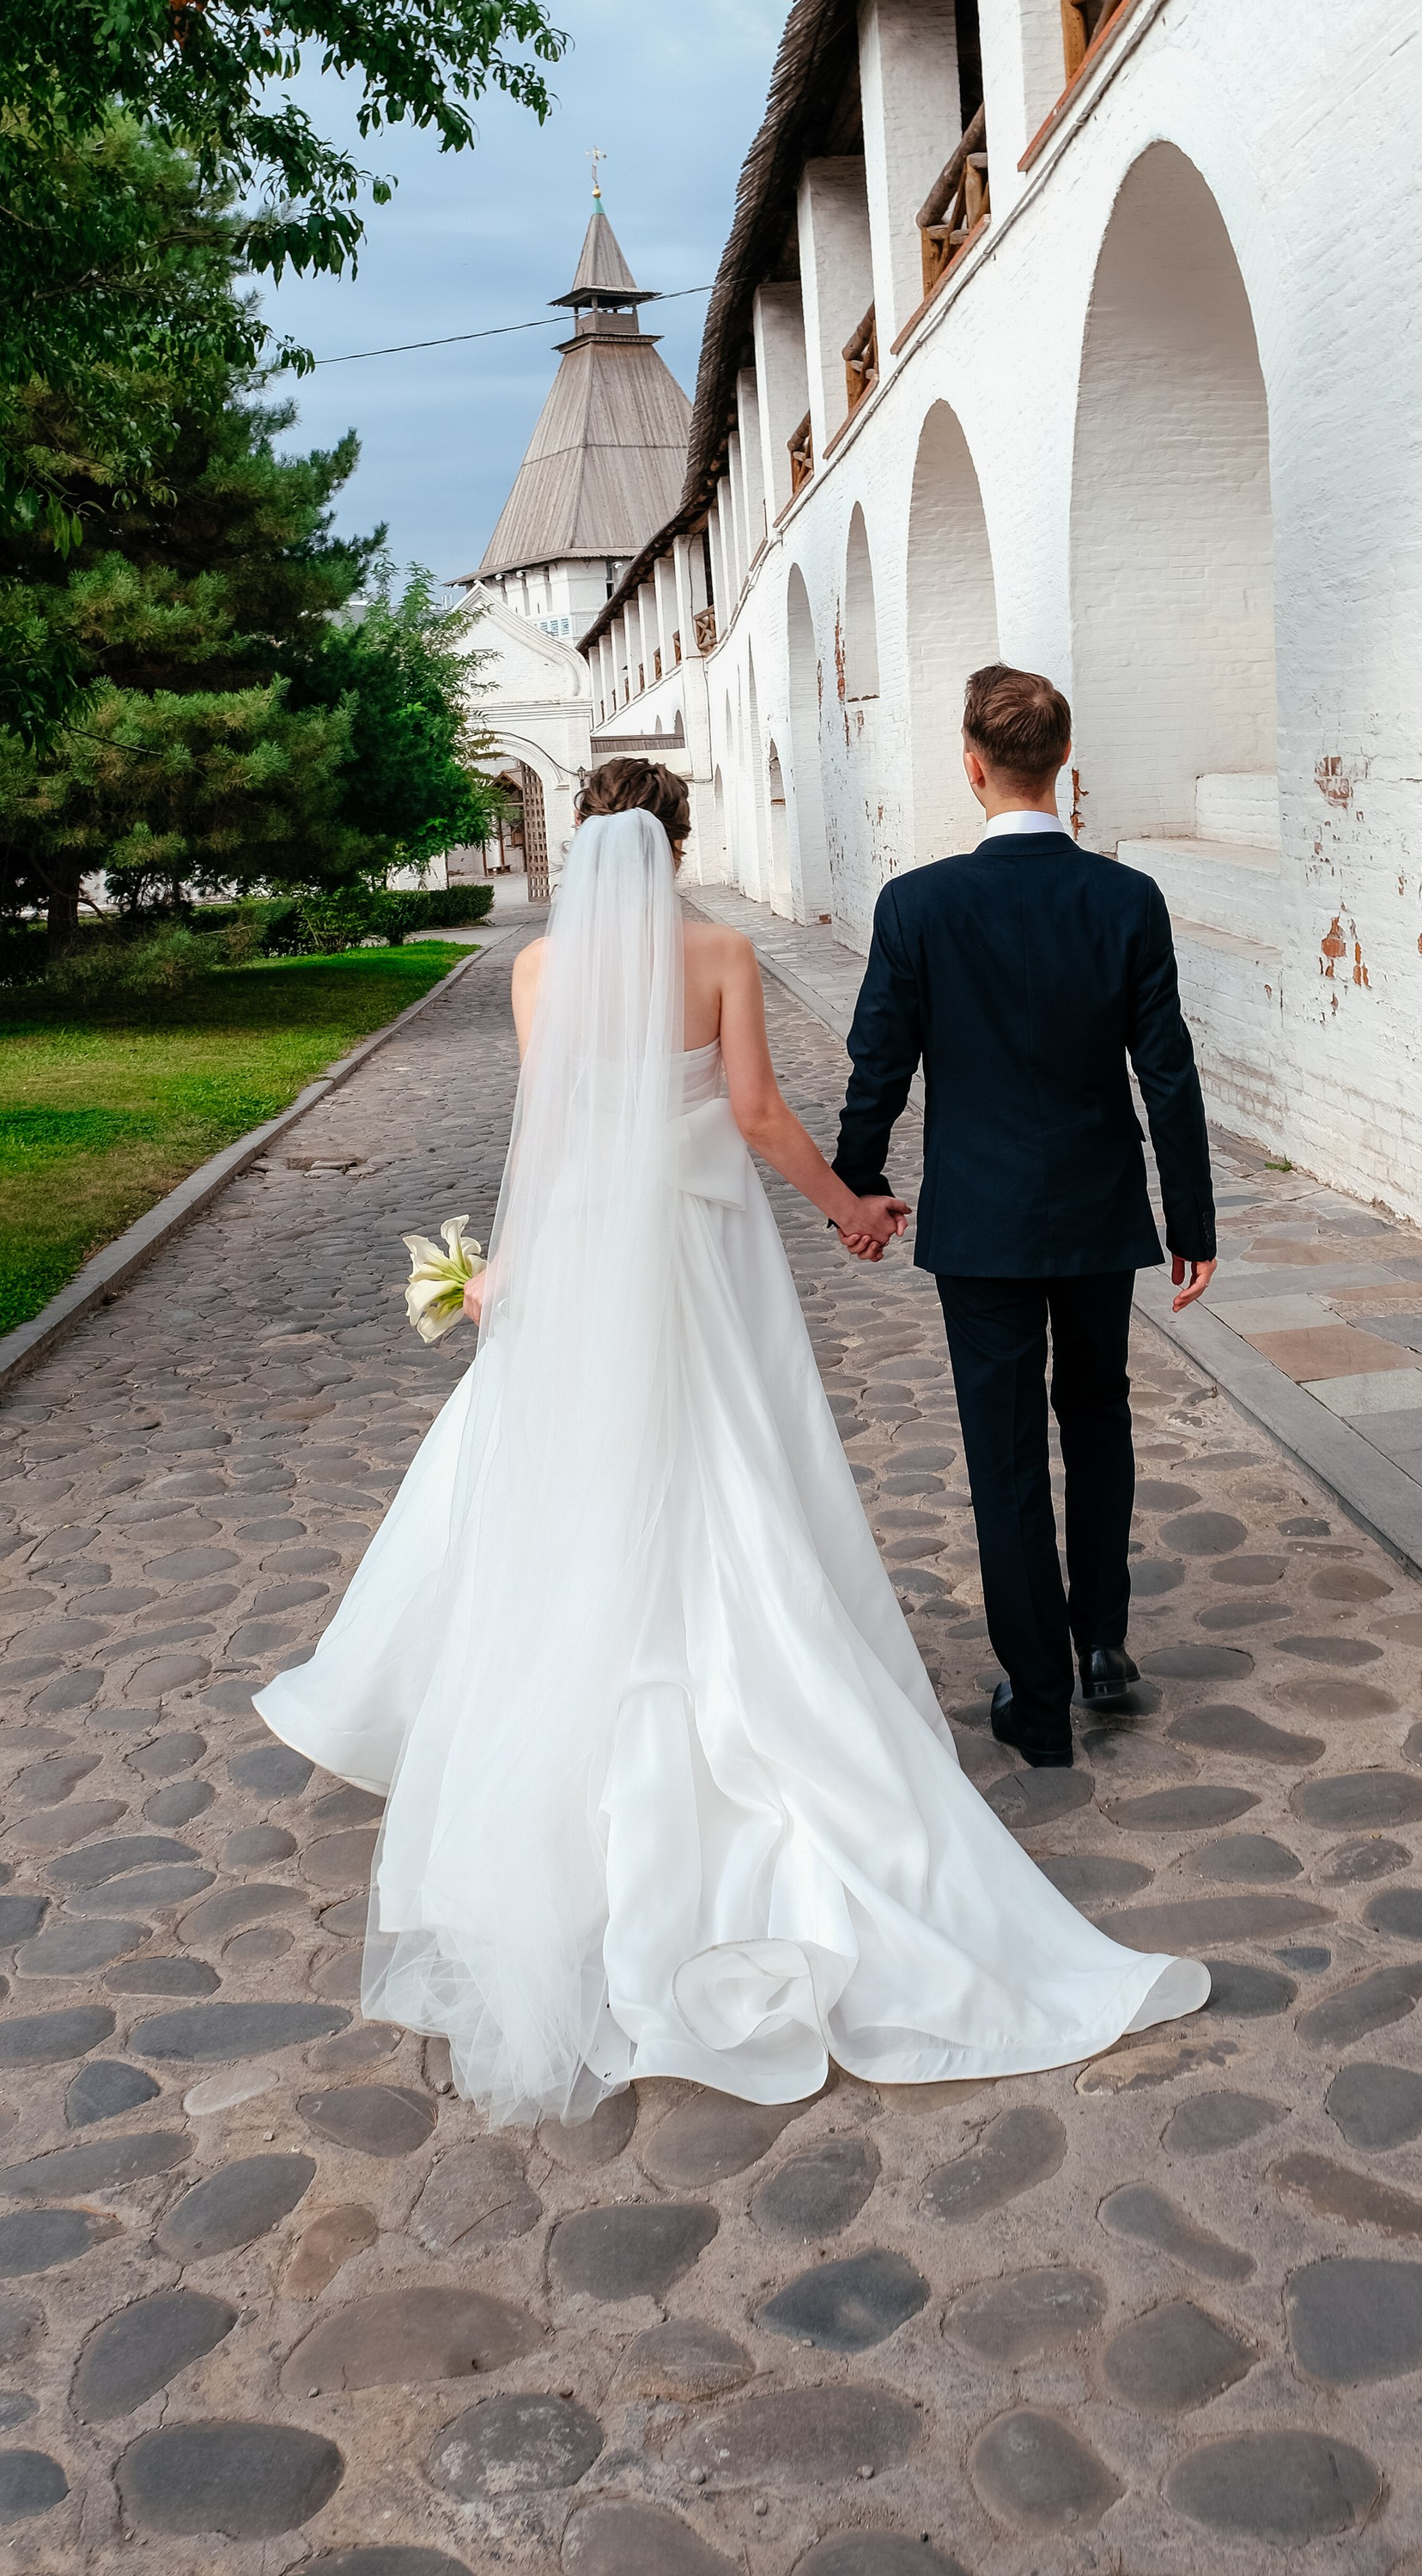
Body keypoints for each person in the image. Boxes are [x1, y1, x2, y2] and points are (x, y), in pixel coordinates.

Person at [252, 756, 1208, 2123]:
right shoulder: (716, 954)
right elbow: (756, 1114)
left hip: (587, 1259)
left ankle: (549, 1727)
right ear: (679, 836)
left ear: (585, 841)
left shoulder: (537, 975)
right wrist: (849, 1205)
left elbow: (554, 1133)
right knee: (729, 1472)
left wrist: (503, 1273)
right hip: (702, 1255)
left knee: (568, 1486)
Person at [834, 665, 1218, 1771]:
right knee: (1099, 1416)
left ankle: (1037, 1693)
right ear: (1065, 767)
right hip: (1097, 1209)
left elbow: (879, 1064)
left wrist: (858, 1183)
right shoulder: (1123, 898)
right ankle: (1103, 1642)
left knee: (1004, 1450)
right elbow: (1170, 1072)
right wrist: (1189, 1217)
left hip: (984, 1222)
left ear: (971, 766)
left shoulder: (918, 905)